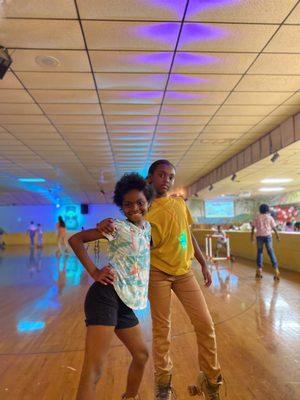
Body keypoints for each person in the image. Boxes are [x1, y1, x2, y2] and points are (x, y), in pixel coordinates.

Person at [98, 160, 223, 400]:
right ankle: (163, 384)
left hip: (184, 273)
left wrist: (203, 262)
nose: (166, 179)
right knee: (162, 330)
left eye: (171, 176)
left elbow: (187, 234)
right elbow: (129, 232)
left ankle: (210, 380)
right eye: (161, 174)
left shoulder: (179, 203)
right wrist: (106, 225)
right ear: (150, 178)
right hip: (157, 274)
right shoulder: (144, 208)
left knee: (206, 325)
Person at [69, 173, 153, 400]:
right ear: (121, 206)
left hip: (125, 301)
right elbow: (75, 240)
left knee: (142, 354)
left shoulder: (148, 229)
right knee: (94, 368)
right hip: (105, 296)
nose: (134, 207)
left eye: (140, 202)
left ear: (148, 203)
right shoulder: (115, 227)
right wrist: (94, 272)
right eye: (127, 204)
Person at [251, 204, 280, 281]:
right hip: (268, 236)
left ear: (260, 210)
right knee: (271, 252)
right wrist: (277, 236)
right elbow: (274, 228)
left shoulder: (256, 217)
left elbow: (253, 228)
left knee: (260, 252)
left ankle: (259, 270)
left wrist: (252, 237)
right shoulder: (270, 217)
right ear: (267, 210)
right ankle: (276, 270)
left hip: (259, 236)